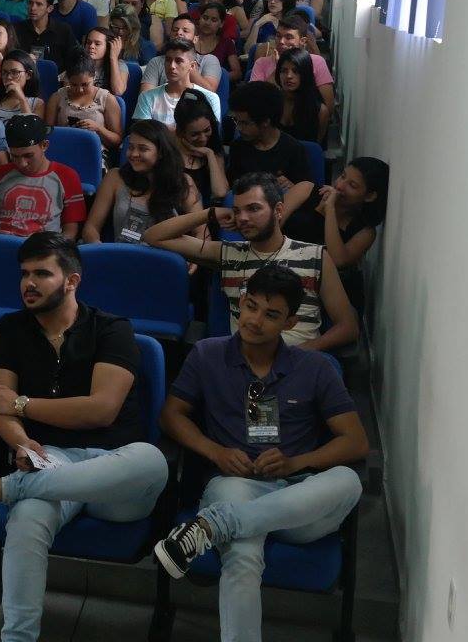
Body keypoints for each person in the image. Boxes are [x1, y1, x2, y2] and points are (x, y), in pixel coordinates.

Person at [0, 232, 168, 642]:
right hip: (52, 458)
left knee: (152, 461)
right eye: (24, 274)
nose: (28, 283)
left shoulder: (112, 329)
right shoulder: (12, 328)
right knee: (27, 517)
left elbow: (101, 410)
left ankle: (5, 488)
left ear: (72, 281)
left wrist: (22, 405)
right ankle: (18, 637)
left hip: (115, 469)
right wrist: (20, 442)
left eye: (42, 274)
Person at [154, 264, 367, 641]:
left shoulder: (315, 367)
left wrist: (297, 461)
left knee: (348, 480)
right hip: (234, 482)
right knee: (242, 555)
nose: (254, 320)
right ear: (241, 302)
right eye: (251, 306)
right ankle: (224, 524)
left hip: (299, 494)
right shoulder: (207, 354)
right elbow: (171, 416)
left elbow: (355, 441)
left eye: (271, 314)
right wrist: (214, 450)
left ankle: (215, 525)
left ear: (290, 322)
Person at [142, 173, 359, 350]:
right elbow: (154, 236)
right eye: (237, 211)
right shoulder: (227, 253)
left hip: (300, 363)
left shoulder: (315, 256)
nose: (243, 218)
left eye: (253, 209)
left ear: (278, 210)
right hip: (243, 364)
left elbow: (348, 327)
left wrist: (300, 353)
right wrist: (210, 213)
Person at [285, 157, 390, 313]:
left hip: (323, 289)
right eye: (342, 176)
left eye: (352, 185)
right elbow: (271, 225)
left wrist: (330, 211)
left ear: (369, 196)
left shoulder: (365, 231)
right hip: (283, 269)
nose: (339, 185)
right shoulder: (306, 189)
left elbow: (337, 260)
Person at [82, 120, 200, 244]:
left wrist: (191, 256)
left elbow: (201, 232)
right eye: (131, 147)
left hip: (165, 255)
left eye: (143, 149)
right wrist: (99, 248)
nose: (134, 154)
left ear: (161, 152)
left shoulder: (182, 182)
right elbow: (91, 228)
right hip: (121, 253)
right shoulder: (115, 177)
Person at [0, 114, 85, 238]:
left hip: (44, 248)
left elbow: (71, 231)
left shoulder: (67, 176)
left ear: (44, 145)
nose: (22, 163)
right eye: (15, 156)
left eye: (28, 156)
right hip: (2, 244)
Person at [226, 81, 316, 218]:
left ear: (265, 122)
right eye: (236, 121)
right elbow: (233, 188)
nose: (239, 128)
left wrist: (293, 187)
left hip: (282, 216)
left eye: (245, 123)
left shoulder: (294, 150)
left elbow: (307, 193)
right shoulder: (238, 147)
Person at [249, 15, 335, 111]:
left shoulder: (316, 62)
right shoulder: (261, 63)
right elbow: (253, 100)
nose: (281, 41)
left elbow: (328, 106)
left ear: (302, 41)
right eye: (278, 36)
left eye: (289, 37)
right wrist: (278, 68)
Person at [45, 50, 124, 153]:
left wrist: (98, 128)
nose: (80, 90)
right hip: (63, 149)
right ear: (67, 79)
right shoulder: (57, 97)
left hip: (95, 152)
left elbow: (117, 140)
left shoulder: (107, 99)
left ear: (94, 76)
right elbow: (47, 133)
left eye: (85, 84)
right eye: (74, 85)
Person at [133, 40, 222, 127]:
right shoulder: (147, 97)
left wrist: (159, 128)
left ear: (192, 66)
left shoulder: (210, 98)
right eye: (168, 60)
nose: (172, 66)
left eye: (178, 61)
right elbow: (142, 132)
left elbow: (212, 134)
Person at [174, 90, 228, 207]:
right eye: (195, 134)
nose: (203, 138)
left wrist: (209, 154)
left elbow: (220, 192)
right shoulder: (169, 148)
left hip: (204, 212)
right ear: (181, 132)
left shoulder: (213, 148)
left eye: (207, 130)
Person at [140, 16, 221, 94]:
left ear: (195, 39)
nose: (179, 33)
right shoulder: (156, 62)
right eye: (175, 30)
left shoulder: (209, 60)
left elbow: (210, 93)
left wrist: (188, 67)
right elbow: (145, 97)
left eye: (185, 31)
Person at [274, 49, 329, 143]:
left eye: (295, 71)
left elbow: (314, 147)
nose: (289, 76)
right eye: (284, 71)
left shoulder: (320, 111)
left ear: (305, 73)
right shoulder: (271, 101)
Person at [0, 50, 45, 122]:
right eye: (4, 72)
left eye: (15, 72)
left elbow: (31, 128)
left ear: (28, 75)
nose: (8, 77)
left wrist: (22, 99)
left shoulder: (37, 104)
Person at [15, 0, 76, 65]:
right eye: (30, 3)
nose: (33, 8)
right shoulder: (17, 29)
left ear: (50, 8)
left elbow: (74, 59)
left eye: (39, 4)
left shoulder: (63, 30)